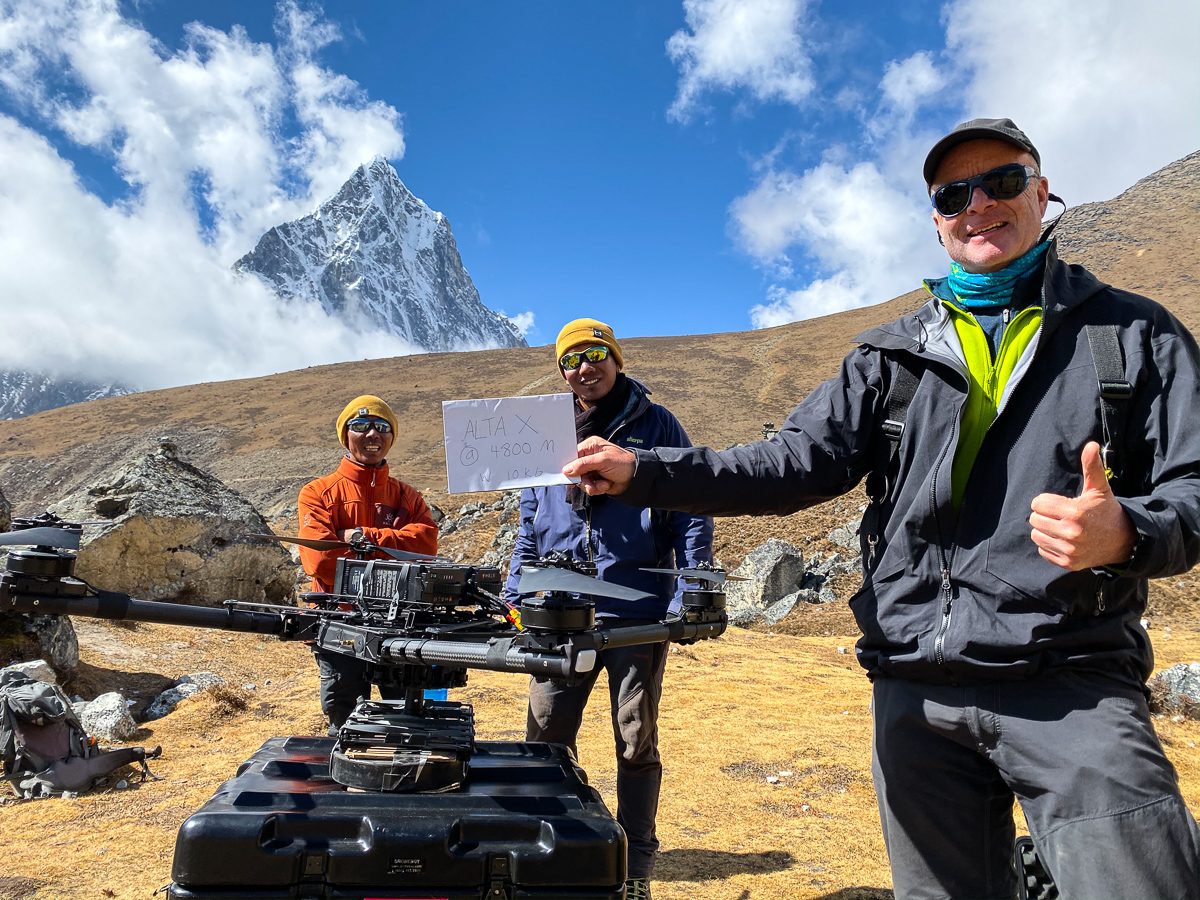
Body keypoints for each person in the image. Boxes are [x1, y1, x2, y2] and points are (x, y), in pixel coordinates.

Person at [563, 120, 1200, 898]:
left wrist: (1128, 532)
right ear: (937, 221)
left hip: (1073, 682)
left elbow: (1192, 492)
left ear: (1041, 192)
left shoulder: (1134, 337)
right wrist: (645, 471)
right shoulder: (888, 356)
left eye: (1001, 183)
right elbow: (790, 464)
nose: (978, 206)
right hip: (915, 691)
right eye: (952, 194)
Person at [504, 318, 713, 900]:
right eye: (571, 360)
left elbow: (691, 504)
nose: (584, 368)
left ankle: (637, 868)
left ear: (615, 359)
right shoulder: (542, 430)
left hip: (635, 613)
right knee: (544, 739)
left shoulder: (656, 422)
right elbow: (530, 519)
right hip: (558, 611)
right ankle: (551, 855)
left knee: (635, 739)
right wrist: (519, 587)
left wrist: (688, 587)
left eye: (595, 354)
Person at [298, 394, 438, 734]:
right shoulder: (317, 493)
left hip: (401, 625)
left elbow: (426, 545)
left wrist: (361, 537)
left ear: (392, 437)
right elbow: (321, 561)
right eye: (360, 426)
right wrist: (394, 546)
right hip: (339, 624)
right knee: (344, 720)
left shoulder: (408, 496)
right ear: (346, 435)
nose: (372, 434)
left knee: (408, 720)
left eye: (382, 427)